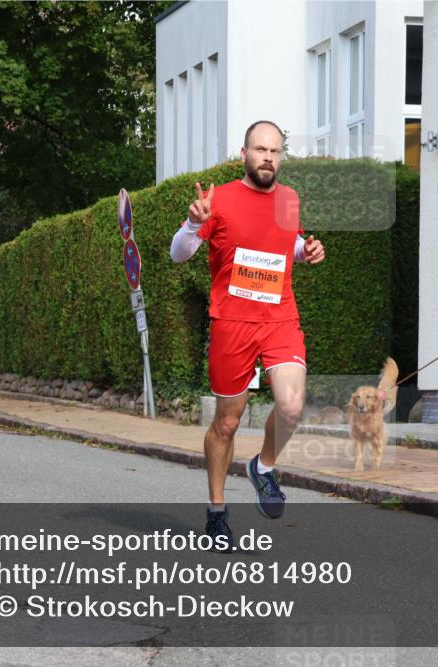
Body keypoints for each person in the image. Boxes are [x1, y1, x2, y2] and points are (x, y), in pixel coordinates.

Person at [170, 120, 325, 547]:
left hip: (279, 319)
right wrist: (189, 223)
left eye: (275, 151)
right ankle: (217, 512)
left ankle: (263, 466)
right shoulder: (217, 199)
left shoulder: (289, 199)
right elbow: (178, 254)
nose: (268, 158)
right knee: (227, 423)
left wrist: (307, 250)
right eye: (260, 150)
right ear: (244, 154)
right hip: (232, 324)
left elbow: (285, 243)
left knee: (292, 406)